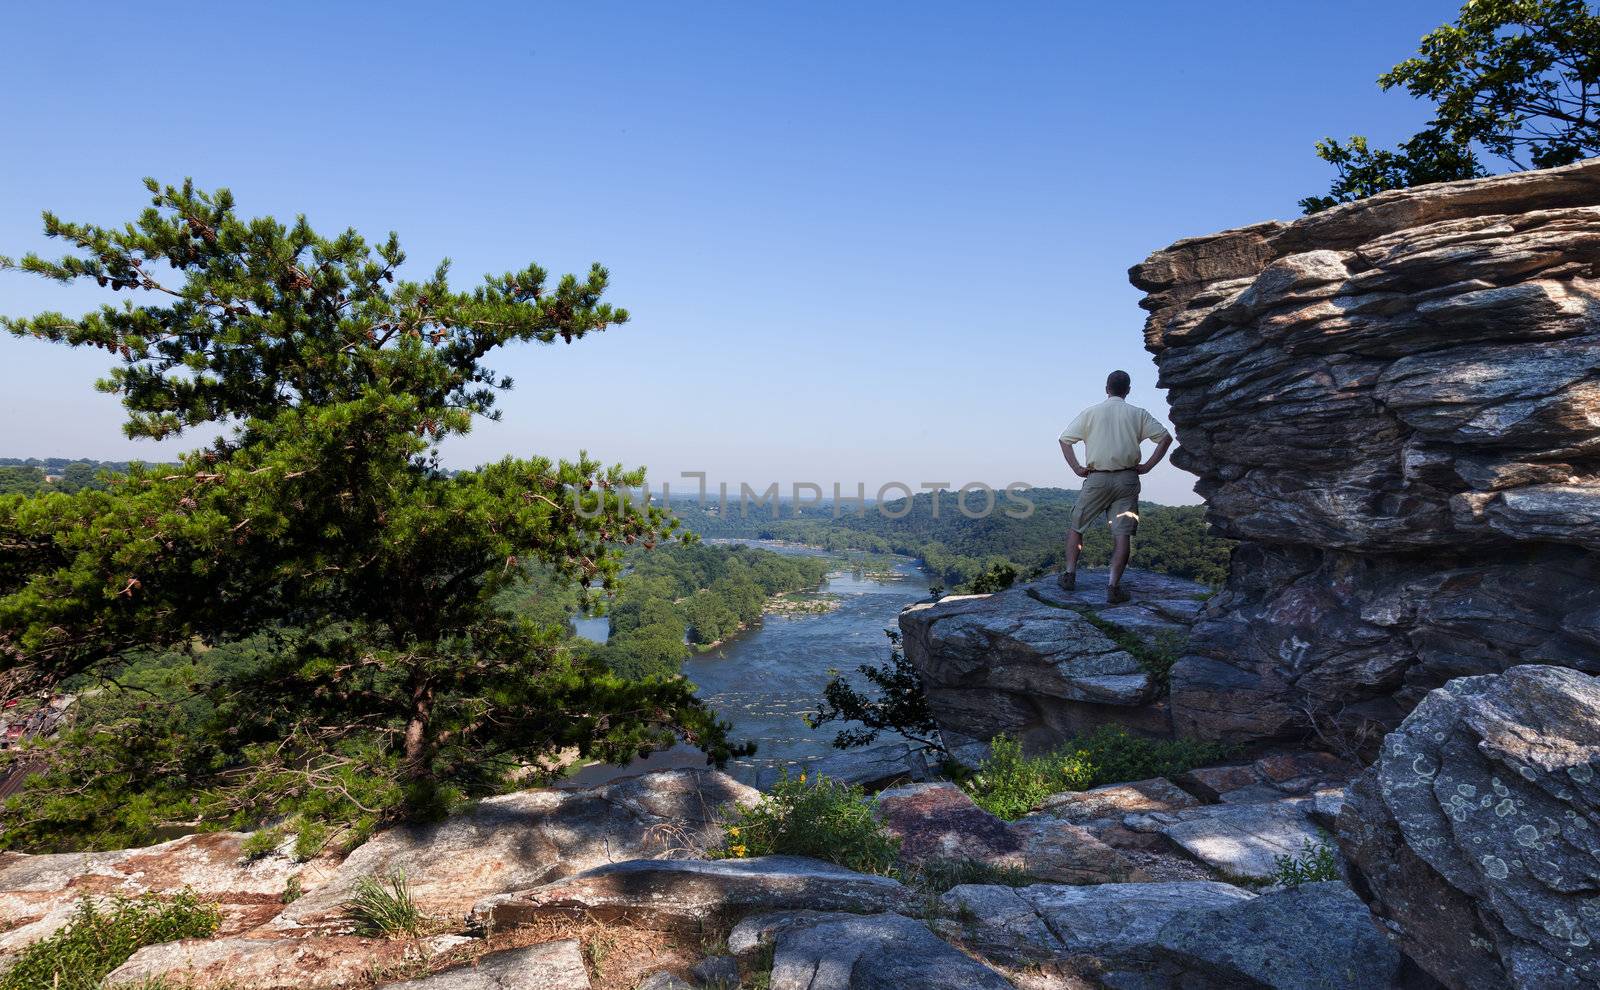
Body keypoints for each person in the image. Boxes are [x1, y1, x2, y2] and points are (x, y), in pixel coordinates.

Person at [1057, 369, 1173, 604]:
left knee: (1077, 526)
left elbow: (1065, 439)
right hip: (1127, 479)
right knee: (1122, 534)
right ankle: (1113, 587)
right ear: (1128, 390)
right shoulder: (1138, 413)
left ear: (1106, 388)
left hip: (1096, 478)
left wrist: (1077, 468)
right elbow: (1165, 438)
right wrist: (1148, 465)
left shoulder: (1091, 412)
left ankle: (1069, 574)